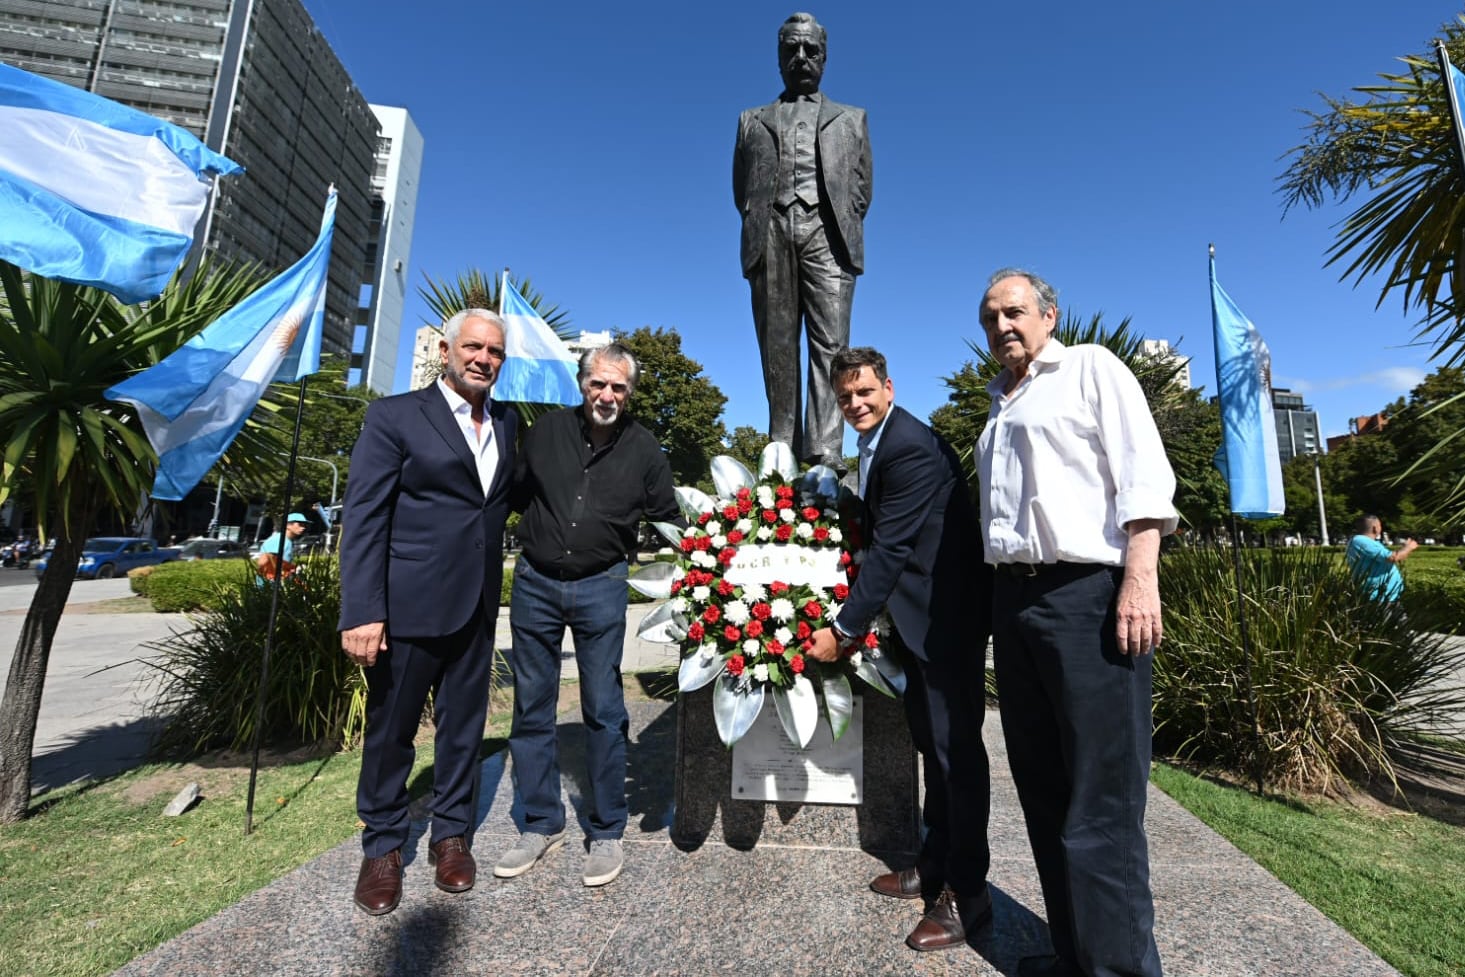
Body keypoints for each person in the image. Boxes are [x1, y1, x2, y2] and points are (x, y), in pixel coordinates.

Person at [976, 269, 1177, 977]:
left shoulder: (1091, 367)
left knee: (1102, 797)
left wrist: (1137, 579)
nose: (1002, 325)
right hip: (1017, 603)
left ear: (1048, 315)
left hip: (1087, 596)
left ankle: (1120, 969)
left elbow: (1143, 476)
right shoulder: (997, 405)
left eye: (1014, 311)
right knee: (1043, 788)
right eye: (990, 316)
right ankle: (1075, 954)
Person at [804, 346, 993, 952]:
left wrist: (845, 628)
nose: (856, 404)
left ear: (888, 387)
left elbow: (890, 550)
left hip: (945, 624)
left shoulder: (907, 444)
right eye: (845, 398)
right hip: (918, 624)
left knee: (955, 758)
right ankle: (934, 865)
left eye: (865, 392)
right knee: (930, 751)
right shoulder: (879, 441)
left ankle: (969, 894)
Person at [338, 308, 518, 916]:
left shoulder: (507, 423)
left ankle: (450, 837)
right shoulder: (394, 416)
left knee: (463, 731)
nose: (483, 359)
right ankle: (383, 847)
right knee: (391, 735)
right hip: (406, 608)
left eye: (494, 351)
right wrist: (363, 611)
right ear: (446, 349)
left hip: (475, 608)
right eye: (473, 347)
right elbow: (364, 517)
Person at [493, 342, 680, 888]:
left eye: (618, 387)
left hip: (602, 587)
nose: (607, 395)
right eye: (599, 383)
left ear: (630, 393)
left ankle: (605, 831)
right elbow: (514, 494)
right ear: (582, 382)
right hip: (536, 584)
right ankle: (540, 822)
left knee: (603, 707)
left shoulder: (646, 449)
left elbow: (671, 519)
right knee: (532, 706)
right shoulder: (546, 431)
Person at [733, 11, 872, 469]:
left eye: (810, 49)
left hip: (828, 235)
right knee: (776, 345)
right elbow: (741, 188)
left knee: (831, 345)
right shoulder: (751, 120)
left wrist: (830, 220)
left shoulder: (852, 119)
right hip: (769, 230)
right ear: (778, 56)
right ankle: (781, 446)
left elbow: (861, 189)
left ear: (825, 56)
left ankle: (826, 451)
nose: (801, 57)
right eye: (791, 48)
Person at [1345, 514, 1417, 605]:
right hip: (1378, 598)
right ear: (1375, 528)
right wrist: (1409, 547)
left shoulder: (1366, 541)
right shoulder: (1361, 540)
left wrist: (1405, 550)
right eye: (1380, 525)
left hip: (1386, 596)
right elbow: (1392, 557)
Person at [254, 512, 308, 582]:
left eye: (304, 525)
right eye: (300, 524)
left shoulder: (287, 540)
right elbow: (264, 561)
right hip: (270, 584)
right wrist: (294, 568)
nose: (303, 527)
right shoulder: (279, 539)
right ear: (288, 525)